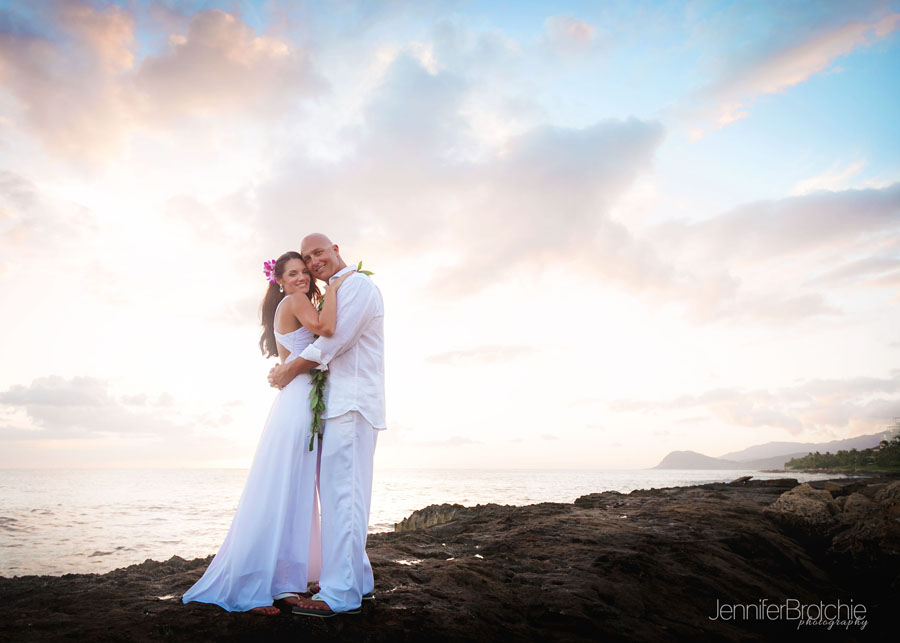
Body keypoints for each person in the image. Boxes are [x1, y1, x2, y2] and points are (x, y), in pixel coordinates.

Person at [182, 251, 351, 614]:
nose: (302, 278)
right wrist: (334, 285)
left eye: (305, 272)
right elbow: (326, 329)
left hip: (300, 401)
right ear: (280, 280)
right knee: (283, 492)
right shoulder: (296, 301)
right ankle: (251, 587)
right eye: (293, 273)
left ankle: (285, 583)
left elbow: (296, 357)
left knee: (294, 493)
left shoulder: (290, 304)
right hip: (297, 405)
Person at [268, 233, 385, 617]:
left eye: (318, 252)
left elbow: (331, 343)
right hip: (338, 408)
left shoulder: (357, 286)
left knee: (344, 500)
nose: (313, 261)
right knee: (342, 499)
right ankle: (359, 582)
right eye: (305, 257)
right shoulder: (338, 289)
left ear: (336, 250)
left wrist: (288, 370)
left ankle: (340, 596)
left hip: (350, 407)